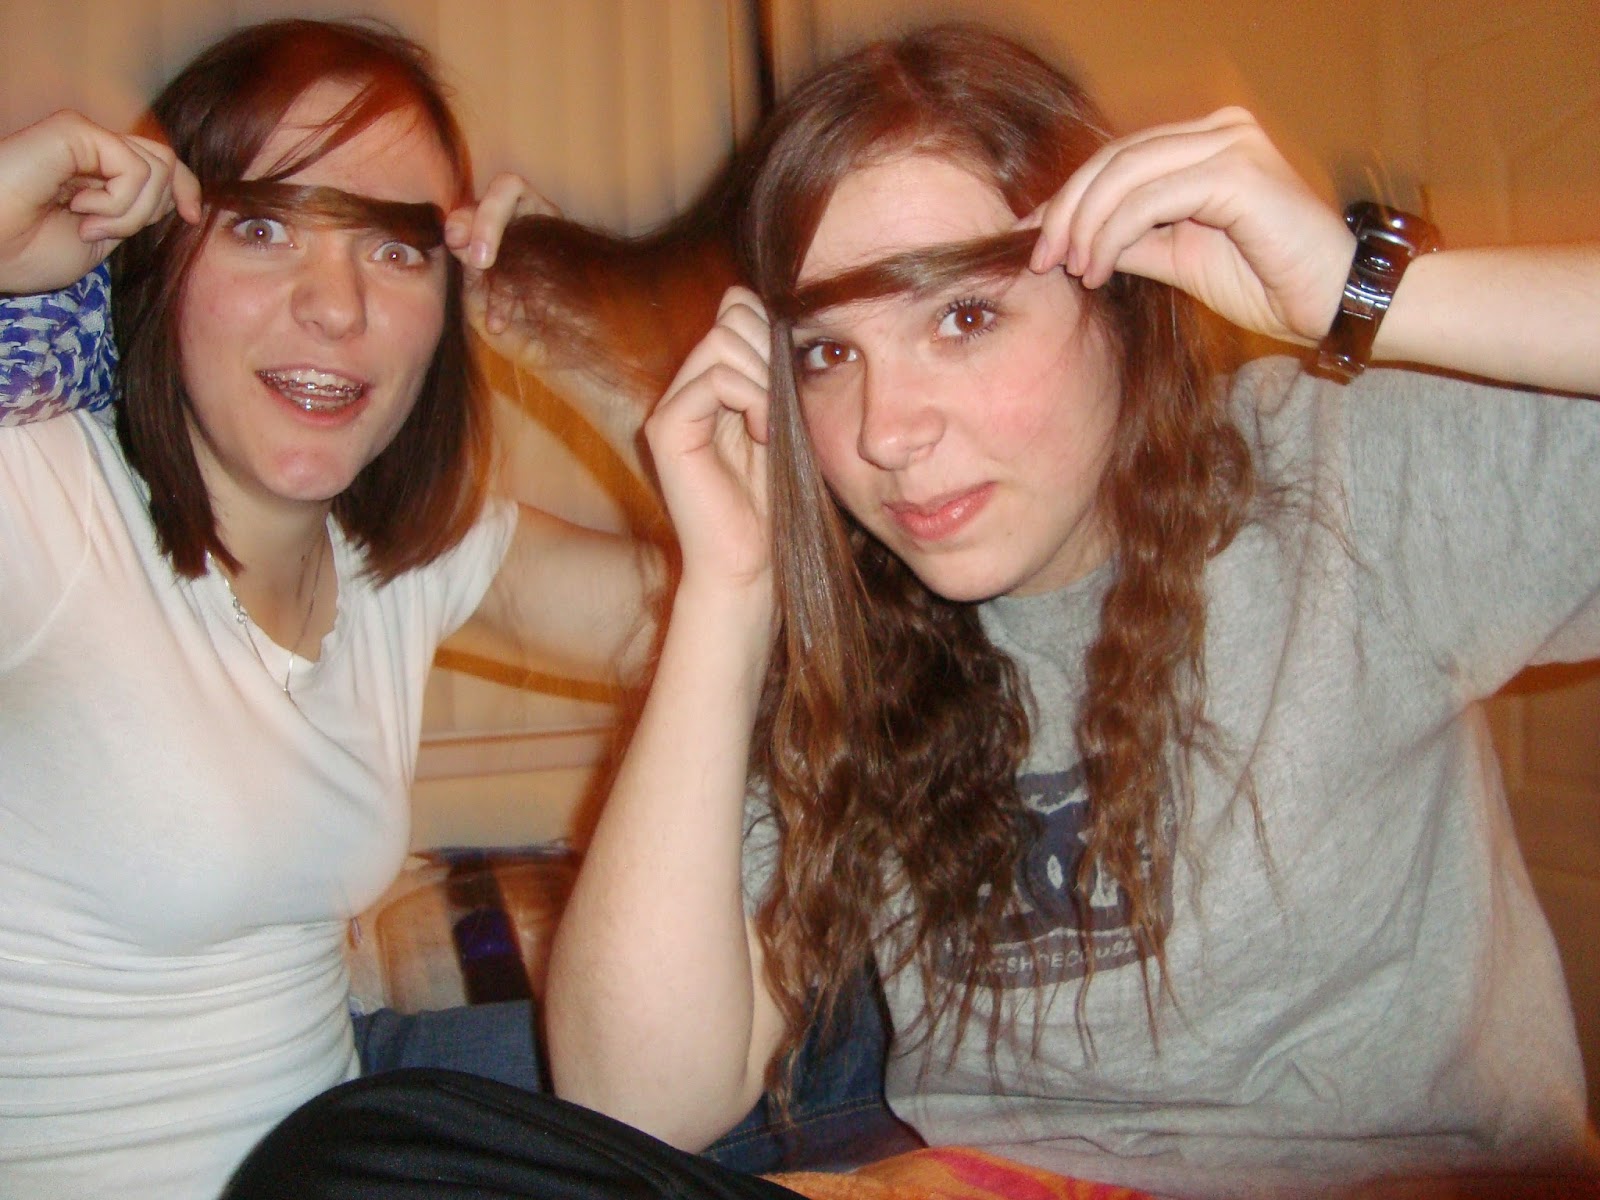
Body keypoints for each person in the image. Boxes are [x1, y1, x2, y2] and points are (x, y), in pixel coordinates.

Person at [534, 22, 1600, 1200]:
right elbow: (630, 1103)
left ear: (1119, 306)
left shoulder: (1335, 474)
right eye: (827, 353)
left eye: (963, 317)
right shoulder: (848, 628)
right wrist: (729, 589)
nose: (886, 432)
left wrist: (1366, 296)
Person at [0, 18, 657, 1199]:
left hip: (346, 1125)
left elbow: (726, 619)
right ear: (159, 256)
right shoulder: (43, 504)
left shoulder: (394, 557)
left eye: (395, 249)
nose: (337, 308)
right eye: (264, 228)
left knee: (808, 1041)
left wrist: (591, 344)